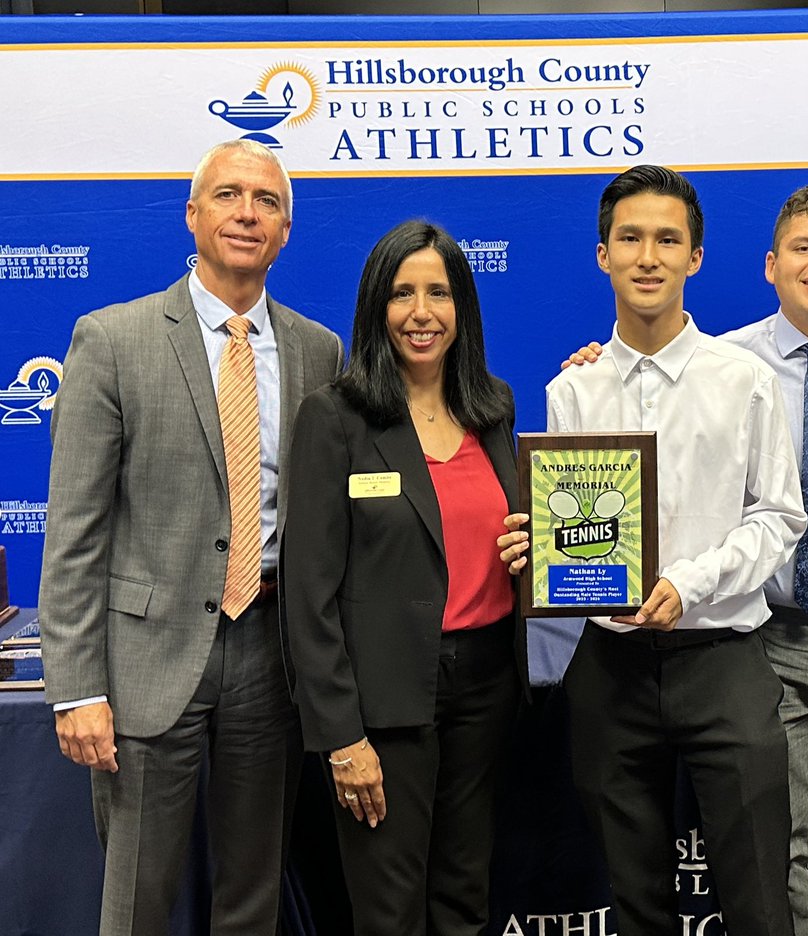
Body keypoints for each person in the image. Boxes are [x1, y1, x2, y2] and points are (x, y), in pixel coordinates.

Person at [564, 184, 808, 936]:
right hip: (768, 633)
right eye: (804, 249)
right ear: (770, 265)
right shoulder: (724, 361)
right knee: (776, 851)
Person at [39, 138, 343, 935]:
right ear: (193, 213)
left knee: (253, 892)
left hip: (271, 652)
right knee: (138, 895)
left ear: (286, 231)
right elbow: (73, 529)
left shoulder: (319, 351)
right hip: (146, 657)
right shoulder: (112, 340)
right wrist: (76, 688)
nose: (248, 213)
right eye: (229, 195)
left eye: (267, 201)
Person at [500, 165, 807, 936]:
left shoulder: (745, 381)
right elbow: (573, 528)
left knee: (758, 901)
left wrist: (690, 581)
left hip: (724, 662)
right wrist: (536, 544)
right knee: (634, 902)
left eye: (667, 239)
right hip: (610, 670)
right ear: (602, 255)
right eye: (629, 238)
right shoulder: (573, 389)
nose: (648, 256)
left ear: (694, 257)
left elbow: (779, 516)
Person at [282, 220, 526, 936]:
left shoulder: (494, 408)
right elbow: (308, 596)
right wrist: (341, 738)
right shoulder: (336, 418)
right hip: (383, 706)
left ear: (463, 309)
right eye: (402, 294)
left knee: (464, 901)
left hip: (486, 689)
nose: (422, 313)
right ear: (375, 308)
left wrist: (530, 544)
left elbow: (498, 535)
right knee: (389, 914)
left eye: (439, 293)